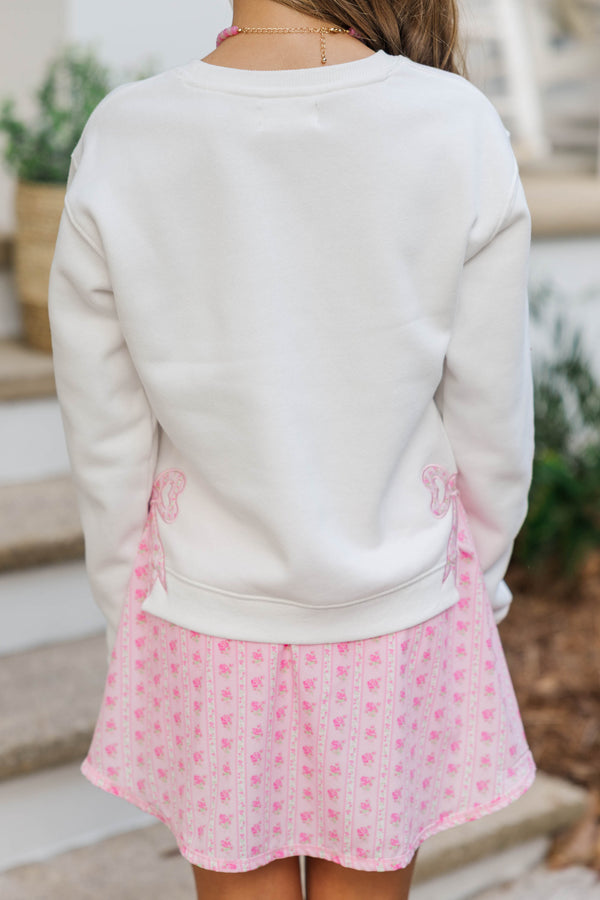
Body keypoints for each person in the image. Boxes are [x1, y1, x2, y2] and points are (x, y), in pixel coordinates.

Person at [47, 0, 536, 897]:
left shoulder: (129, 134)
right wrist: (483, 588)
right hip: (401, 601)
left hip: (204, 610)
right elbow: (492, 419)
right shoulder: (454, 123)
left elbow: (104, 429)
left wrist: (132, 611)